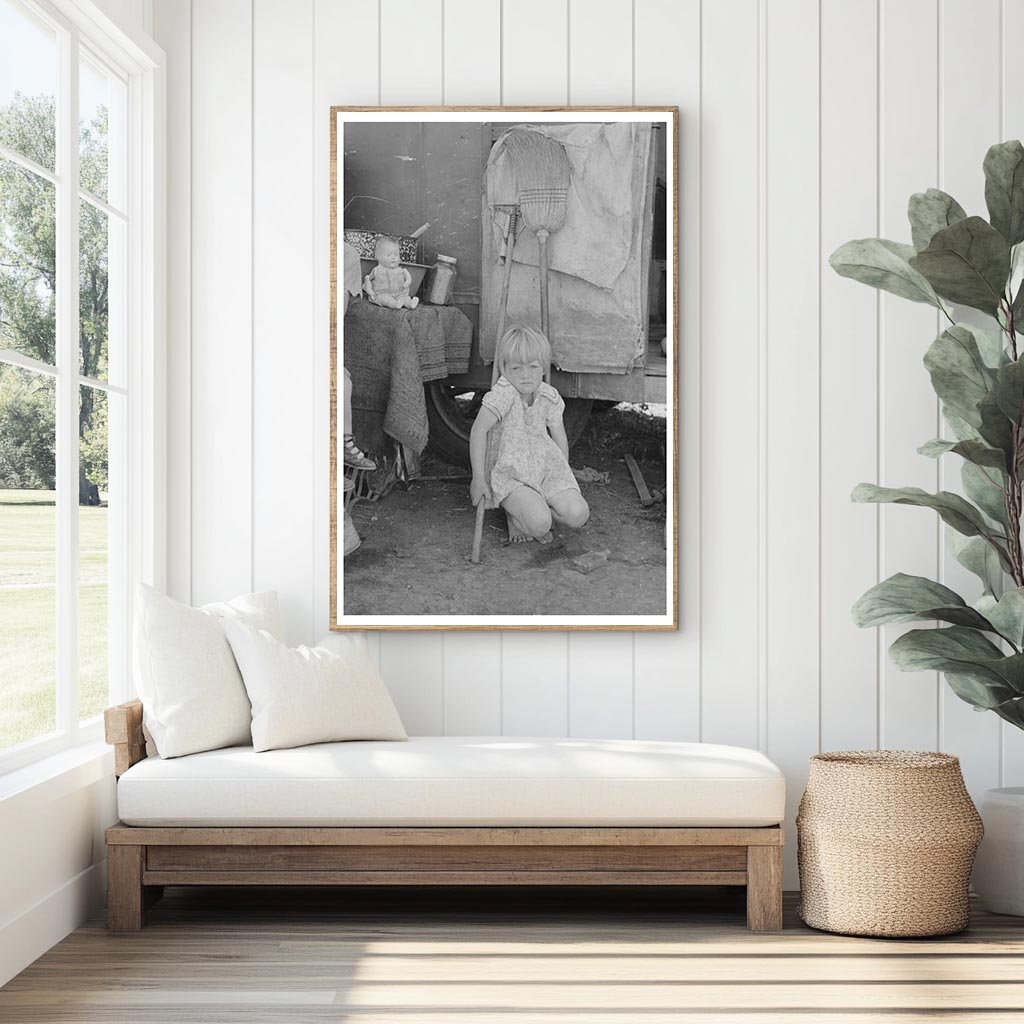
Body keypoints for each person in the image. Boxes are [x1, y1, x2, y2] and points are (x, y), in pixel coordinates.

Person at [470, 325, 589, 544]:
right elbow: (479, 430)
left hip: (544, 469)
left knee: (578, 513)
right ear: (505, 369)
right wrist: (478, 478)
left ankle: (536, 509)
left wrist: (563, 474)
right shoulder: (503, 394)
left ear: (543, 367)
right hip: (512, 474)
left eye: (533, 367)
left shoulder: (548, 396)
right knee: (540, 523)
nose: (526, 375)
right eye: (517, 368)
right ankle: (517, 515)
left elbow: (559, 437)